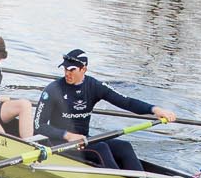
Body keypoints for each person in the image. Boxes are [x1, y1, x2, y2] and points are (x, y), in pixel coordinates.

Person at [33, 49, 175, 169]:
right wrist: (68, 136)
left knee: (124, 146)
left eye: (71, 70)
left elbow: (126, 102)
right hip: (59, 143)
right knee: (101, 148)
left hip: (84, 141)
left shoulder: (94, 86)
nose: (67, 73)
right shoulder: (53, 89)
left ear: (84, 69)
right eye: (65, 69)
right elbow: (39, 126)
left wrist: (155, 109)